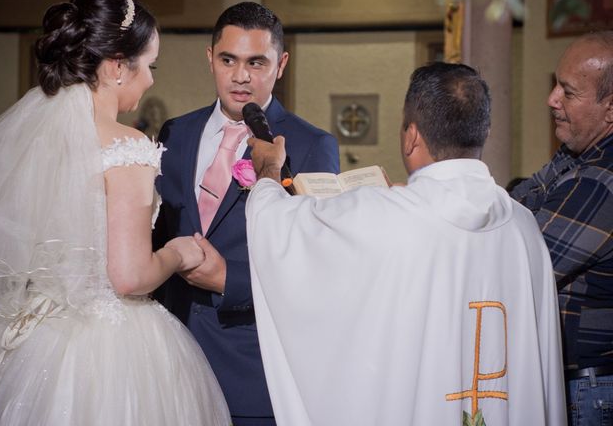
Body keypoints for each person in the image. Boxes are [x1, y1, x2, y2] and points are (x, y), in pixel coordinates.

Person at [240, 62, 567, 425]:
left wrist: (269, 173)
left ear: (411, 136)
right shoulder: (524, 229)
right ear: (484, 132)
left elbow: (280, 233)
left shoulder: (380, 215)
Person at [0, 0, 231, 425]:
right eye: (149, 65)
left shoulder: (33, 141)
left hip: (33, 344)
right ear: (116, 67)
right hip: (111, 348)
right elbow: (130, 277)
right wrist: (178, 251)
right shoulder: (128, 147)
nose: (151, 79)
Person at [153, 1, 340, 425]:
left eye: (257, 62)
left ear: (281, 64)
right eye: (228, 60)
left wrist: (228, 280)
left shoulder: (312, 146)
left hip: (249, 365)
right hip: (167, 356)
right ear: (210, 58)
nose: (241, 76)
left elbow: (316, 270)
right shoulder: (176, 133)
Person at [510, 31, 613, 425]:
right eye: (556, 84)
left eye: (568, 92)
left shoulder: (600, 182)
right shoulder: (575, 156)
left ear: (610, 108)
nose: (551, 99)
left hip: (591, 391)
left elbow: (521, 263)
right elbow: (518, 199)